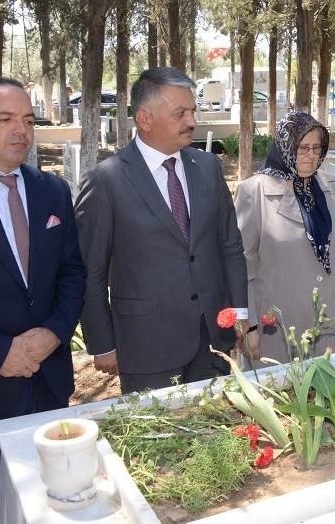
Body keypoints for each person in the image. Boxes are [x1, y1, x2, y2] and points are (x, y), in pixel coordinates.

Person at [0, 77, 86, 523]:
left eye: (27, 120)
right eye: (5, 119)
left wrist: (53, 332)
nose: (21, 131)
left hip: (47, 382)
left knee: (56, 502)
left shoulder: (52, 191)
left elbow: (73, 273)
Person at [75, 67, 248, 393]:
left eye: (193, 111)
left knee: (217, 435)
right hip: (146, 348)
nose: (192, 121)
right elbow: (90, 272)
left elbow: (229, 245)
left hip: (212, 339)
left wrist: (238, 311)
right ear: (145, 119)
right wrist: (102, 343)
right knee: (158, 441)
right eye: (180, 113)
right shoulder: (105, 181)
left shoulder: (207, 168)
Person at [235, 112, 335, 362]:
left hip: (334, 324)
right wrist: (250, 326)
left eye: (317, 148)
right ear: (285, 147)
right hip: (279, 328)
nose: (311, 155)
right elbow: (242, 266)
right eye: (302, 148)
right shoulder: (254, 192)